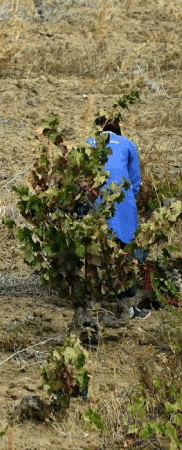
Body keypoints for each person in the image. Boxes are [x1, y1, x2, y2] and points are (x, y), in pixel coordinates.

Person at [86, 115, 148, 319]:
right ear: (117, 128)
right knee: (132, 252)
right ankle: (126, 306)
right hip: (124, 207)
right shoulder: (128, 144)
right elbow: (136, 184)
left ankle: (94, 303)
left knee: (93, 252)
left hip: (95, 207)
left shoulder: (86, 144)